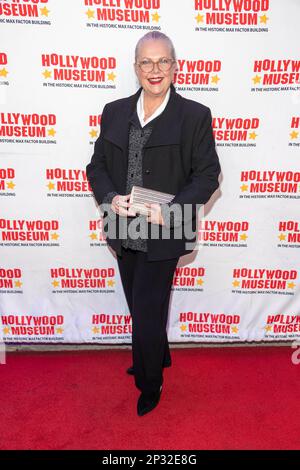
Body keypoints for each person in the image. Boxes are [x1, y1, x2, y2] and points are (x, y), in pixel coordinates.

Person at [86, 31, 221, 416]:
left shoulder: (194, 116)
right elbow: (96, 166)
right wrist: (111, 197)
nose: (155, 69)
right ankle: (157, 354)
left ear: (176, 66)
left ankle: (150, 382)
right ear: (135, 68)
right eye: (147, 62)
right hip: (123, 224)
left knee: (146, 308)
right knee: (139, 303)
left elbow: (208, 174)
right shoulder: (114, 111)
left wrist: (174, 209)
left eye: (163, 61)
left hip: (166, 227)